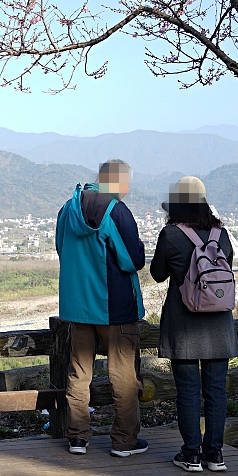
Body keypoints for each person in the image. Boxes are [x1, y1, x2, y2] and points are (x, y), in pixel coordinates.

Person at [56, 159, 148, 457]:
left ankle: (78, 438)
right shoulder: (117, 211)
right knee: (123, 377)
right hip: (115, 309)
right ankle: (124, 442)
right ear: (120, 183)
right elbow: (131, 260)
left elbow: (62, 249)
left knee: (78, 374)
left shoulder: (67, 210)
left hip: (77, 307)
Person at [150, 176, 237, 473]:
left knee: (187, 391)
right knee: (216, 391)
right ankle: (215, 454)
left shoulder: (171, 234)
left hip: (184, 324)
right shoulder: (221, 234)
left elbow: (158, 274)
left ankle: (191, 454)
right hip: (219, 325)